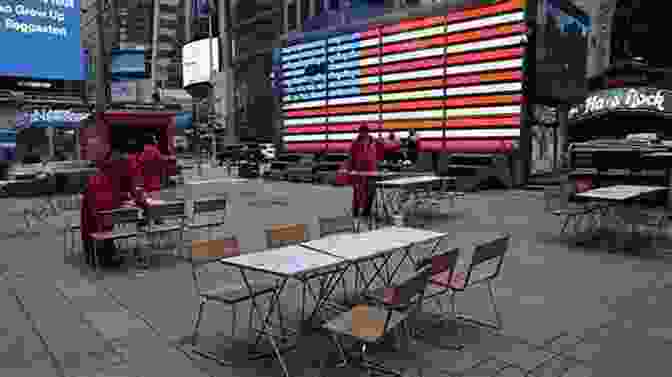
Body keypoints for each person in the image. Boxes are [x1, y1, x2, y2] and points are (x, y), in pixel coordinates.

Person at [80, 154, 123, 268]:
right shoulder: (108, 181)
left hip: (92, 220)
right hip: (97, 222)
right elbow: (113, 200)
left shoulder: (95, 179)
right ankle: (106, 255)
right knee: (106, 225)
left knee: (104, 224)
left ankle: (101, 255)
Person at [349, 125, 380, 222]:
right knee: (358, 193)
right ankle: (356, 212)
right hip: (359, 172)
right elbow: (351, 157)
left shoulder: (373, 142)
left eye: (365, 132)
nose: (363, 134)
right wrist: (352, 169)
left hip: (371, 171)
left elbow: (378, 154)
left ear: (367, 132)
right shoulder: (355, 143)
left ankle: (366, 212)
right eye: (362, 132)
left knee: (371, 192)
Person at [138, 135, 164, 201]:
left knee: (148, 199)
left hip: (146, 181)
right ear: (152, 141)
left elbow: (140, 163)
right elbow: (162, 162)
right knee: (155, 200)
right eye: (155, 139)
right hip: (155, 182)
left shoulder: (144, 151)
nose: (156, 141)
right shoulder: (155, 151)